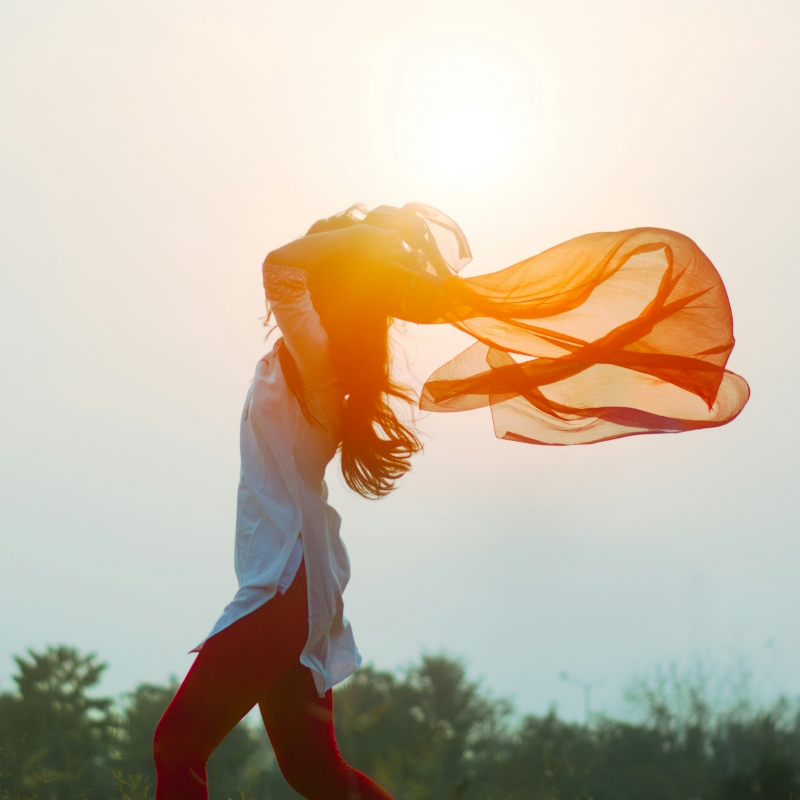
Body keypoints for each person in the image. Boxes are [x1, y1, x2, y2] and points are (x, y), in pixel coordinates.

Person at [152, 202, 749, 800]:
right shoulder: (319, 356)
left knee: (178, 746)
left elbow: (279, 265)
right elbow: (292, 269)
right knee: (313, 771)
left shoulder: (319, 354)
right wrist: (365, 242)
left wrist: (363, 239)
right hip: (292, 580)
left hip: (286, 581)